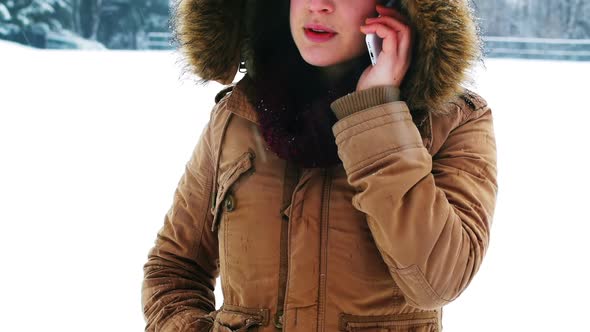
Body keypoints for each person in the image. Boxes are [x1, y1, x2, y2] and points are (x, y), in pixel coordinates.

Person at [142, 0, 498, 331]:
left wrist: (376, 112)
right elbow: (174, 269)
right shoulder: (238, 116)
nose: (319, 5)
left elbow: (438, 281)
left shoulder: (452, 121)